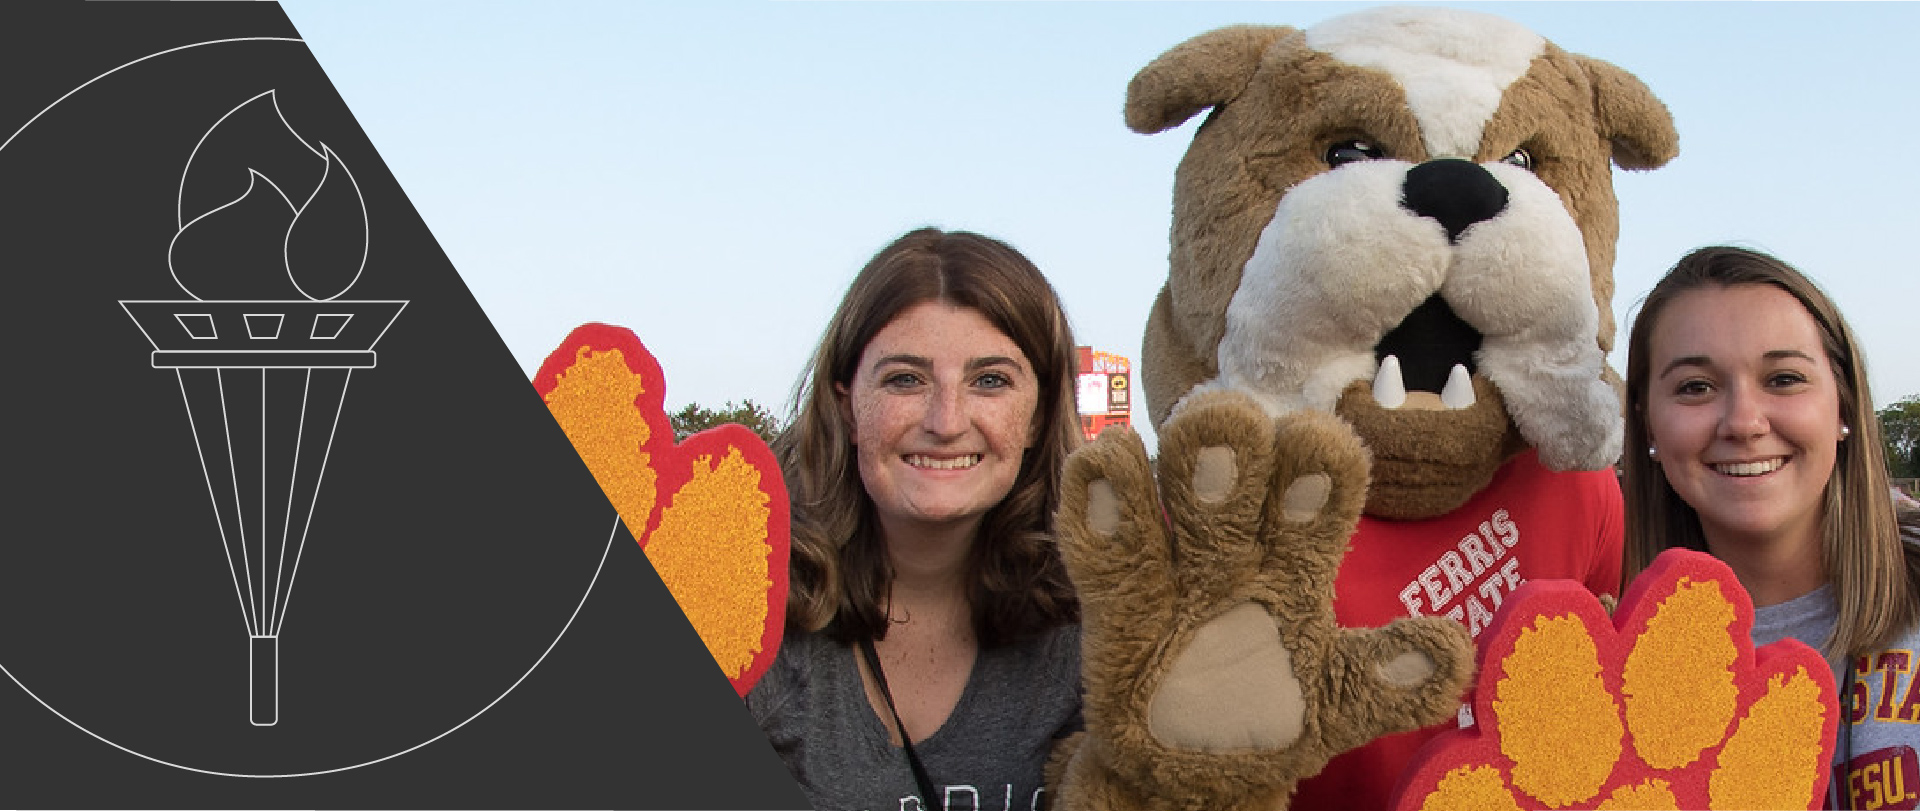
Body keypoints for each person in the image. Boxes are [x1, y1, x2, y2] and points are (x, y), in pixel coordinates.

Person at [748, 227, 1084, 811]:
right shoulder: (751, 618)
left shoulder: (1095, 629)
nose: (947, 420)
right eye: (906, 379)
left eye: (990, 381)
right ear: (848, 405)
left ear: (1037, 417)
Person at [1621, 245, 1920, 809]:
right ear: (1647, 424)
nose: (1743, 422)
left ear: (1844, 407)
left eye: (1783, 379)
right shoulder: (1610, 670)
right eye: (1695, 387)